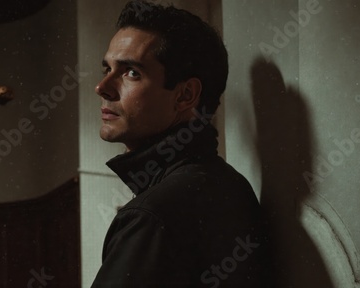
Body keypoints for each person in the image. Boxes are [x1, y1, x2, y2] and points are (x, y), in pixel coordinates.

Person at [92, 1, 265, 287]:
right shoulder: (228, 183)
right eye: (106, 68)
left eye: (131, 72)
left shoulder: (151, 215)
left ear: (185, 95)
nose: (102, 87)